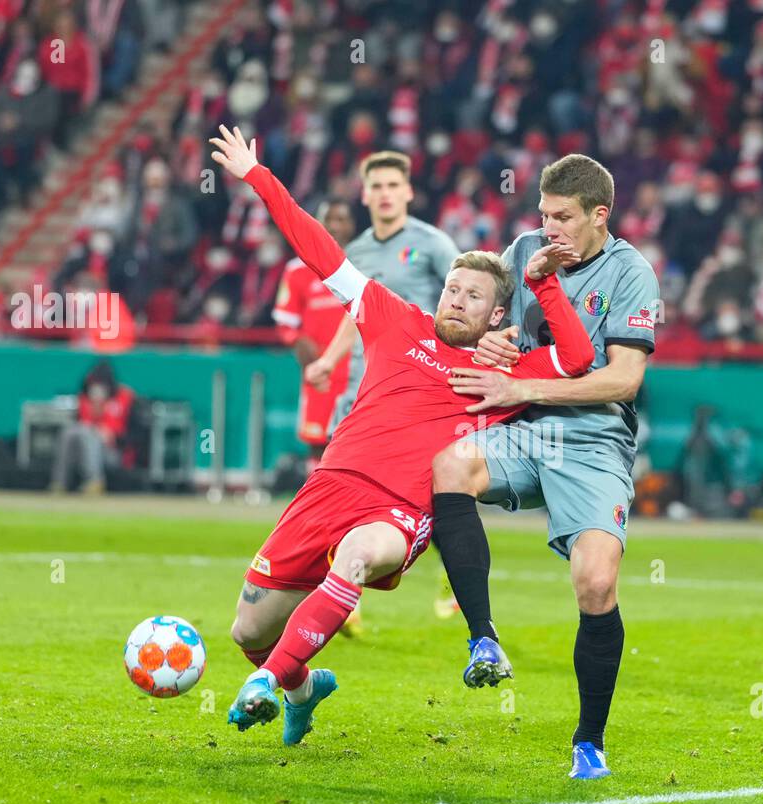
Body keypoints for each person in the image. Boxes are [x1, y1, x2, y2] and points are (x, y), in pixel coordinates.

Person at [206, 125, 594, 746]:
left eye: (474, 296)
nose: (457, 300)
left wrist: (544, 284)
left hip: (399, 509)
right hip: (327, 486)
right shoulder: (394, 319)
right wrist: (258, 175)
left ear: (497, 314)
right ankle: (304, 690)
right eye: (452, 289)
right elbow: (319, 250)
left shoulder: (505, 369)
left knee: (356, 560)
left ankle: (264, 686)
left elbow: (576, 362)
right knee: (247, 631)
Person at [423, 153, 660, 780]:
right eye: (544, 214)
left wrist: (523, 389)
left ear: (598, 216)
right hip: (521, 429)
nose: (548, 228)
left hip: (591, 440)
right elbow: (476, 318)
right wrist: (486, 340)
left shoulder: (632, 273)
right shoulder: (524, 247)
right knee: (450, 467)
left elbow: (623, 380)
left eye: (563, 217)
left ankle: (589, 741)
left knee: (597, 583)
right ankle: (483, 638)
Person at [303, 151, 464, 623]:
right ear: (365, 193)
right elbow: (354, 314)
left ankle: (452, 568)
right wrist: (330, 360)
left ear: (408, 191)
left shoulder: (434, 245)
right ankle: (341, 580)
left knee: (431, 490)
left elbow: (471, 298)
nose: (385, 193)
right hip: (360, 388)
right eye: (376, 186)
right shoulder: (357, 251)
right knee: (342, 482)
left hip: (417, 392)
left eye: (394, 185)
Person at [271, 198, 355, 461]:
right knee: (317, 444)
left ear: (352, 225)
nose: (333, 226)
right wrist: (297, 341)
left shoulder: (363, 265)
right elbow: (285, 322)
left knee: (356, 444)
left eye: (340, 219)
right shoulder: (297, 269)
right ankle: (319, 499)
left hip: (359, 373)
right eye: (328, 219)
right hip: (321, 373)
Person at [50, 360, 134, 494]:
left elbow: (136, 434)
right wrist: (95, 414)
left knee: (89, 435)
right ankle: (60, 482)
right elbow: (80, 426)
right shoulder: (85, 399)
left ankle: (95, 480)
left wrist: (115, 437)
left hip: (113, 452)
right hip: (83, 450)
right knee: (70, 432)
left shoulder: (125, 397)